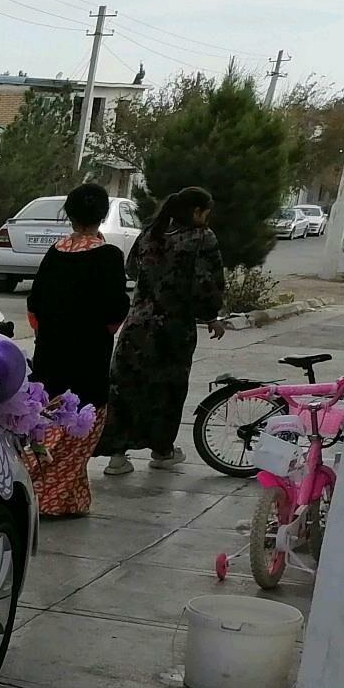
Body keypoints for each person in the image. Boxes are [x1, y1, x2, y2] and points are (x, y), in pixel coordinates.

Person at [98, 186, 226, 473]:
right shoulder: (201, 238)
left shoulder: (150, 234)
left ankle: (117, 456)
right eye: (206, 212)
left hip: (137, 326)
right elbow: (207, 283)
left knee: (124, 387)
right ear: (196, 212)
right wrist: (211, 317)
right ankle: (162, 451)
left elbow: (131, 269)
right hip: (173, 330)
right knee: (167, 390)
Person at [24, 183, 129, 516]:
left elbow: (34, 307)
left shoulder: (54, 253)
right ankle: (46, 501)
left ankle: (70, 501)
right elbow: (116, 312)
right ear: (103, 215)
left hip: (49, 357)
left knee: (49, 422)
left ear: (68, 214)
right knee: (77, 431)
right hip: (89, 360)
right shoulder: (109, 256)